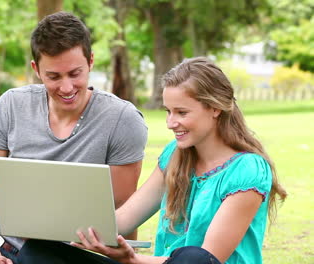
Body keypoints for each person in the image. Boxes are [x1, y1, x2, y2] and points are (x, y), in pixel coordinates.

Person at [0, 11, 148, 264]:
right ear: (36, 69)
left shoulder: (122, 120)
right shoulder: (13, 104)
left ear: (90, 61)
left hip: (51, 254)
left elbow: (122, 214)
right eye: (54, 76)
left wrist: (127, 259)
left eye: (75, 74)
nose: (66, 88)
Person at [16, 57, 287, 264]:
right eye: (168, 111)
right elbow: (122, 219)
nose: (171, 123)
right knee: (39, 251)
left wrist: (132, 259)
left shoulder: (249, 170)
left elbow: (208, 257)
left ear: (215, 107)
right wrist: (54, 219)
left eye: (181, 112)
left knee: (191, 257)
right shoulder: (175, 155)